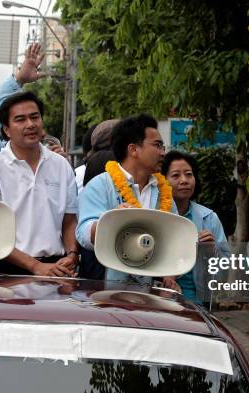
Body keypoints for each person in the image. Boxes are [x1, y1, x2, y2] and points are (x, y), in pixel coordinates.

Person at [0, 92, 78, 277]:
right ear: (6, 130)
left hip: (57, 269)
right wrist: (35, 266)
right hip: (8, 272)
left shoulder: (61, 164)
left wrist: (72, 254)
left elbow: (69, 220)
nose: (30, 124)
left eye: (34, 117)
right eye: (20, 119)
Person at [76, 113, 178, 288]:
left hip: (148, 291)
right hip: (106, 289)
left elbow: (174, 237)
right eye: (157, 145)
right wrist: (111, 221)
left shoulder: (163, 191)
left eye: (163, 146)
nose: (163, 152)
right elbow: (83, 234)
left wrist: (170, 277)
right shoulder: (100, 185)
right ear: (133, 150)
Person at [161, 151, 229, 303]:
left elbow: (226, 271)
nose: (184, 180)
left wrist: (212, 251)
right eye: (176, 175)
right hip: (159, 299)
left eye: (189, 174)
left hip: (197, 303)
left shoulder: (209, 218)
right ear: (162, 180)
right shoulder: (154, 214)